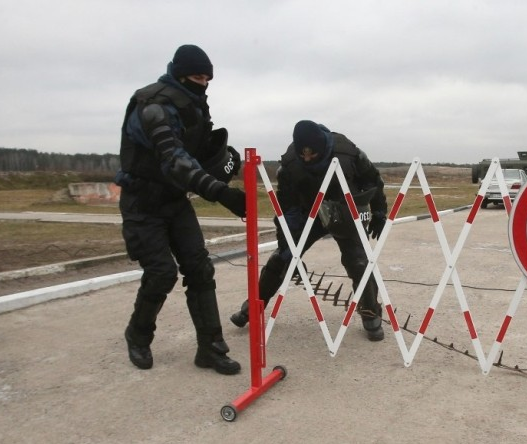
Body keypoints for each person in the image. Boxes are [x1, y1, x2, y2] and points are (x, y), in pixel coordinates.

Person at [116, 44, 246, 375]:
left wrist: (224, 161)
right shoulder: (153, 107)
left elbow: (198, 152)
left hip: (174, 201)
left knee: (200, 269)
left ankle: (211, 348)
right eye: (196, 77)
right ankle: (138, 335)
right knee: (161, 272)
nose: (202, 83)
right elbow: (174, 159)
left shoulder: (195, 106)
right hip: (142, 202)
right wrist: (220, 193)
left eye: (207, 78)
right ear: (178, 73)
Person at [229, 120, 388, 341]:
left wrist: (379, 212)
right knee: (281, 260)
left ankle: (370, 312)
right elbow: (286, 210)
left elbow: (373, 181)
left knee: (359, 261)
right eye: (302, 154)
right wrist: (288, 246)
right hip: (309, 214)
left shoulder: (347, 152)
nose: (306, 158)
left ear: (322, 147)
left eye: (311, 154)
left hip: (344, 209)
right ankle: (253, 308)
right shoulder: (290, 164)